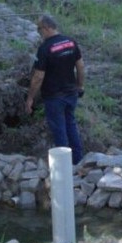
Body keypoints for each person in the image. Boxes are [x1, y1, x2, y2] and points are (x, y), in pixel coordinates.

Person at [25, 14, 86, 164]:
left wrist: (30, 98)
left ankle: (64, 169)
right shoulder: (71, 42)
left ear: (46, 28)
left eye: (39, 30)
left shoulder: (45, 48)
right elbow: (81, 66)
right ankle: (78, 163)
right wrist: (80, 86)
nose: (39, 34)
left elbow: (38, 77)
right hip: (71, 93)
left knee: (59, 131)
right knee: (71, 125)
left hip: (54, 96)